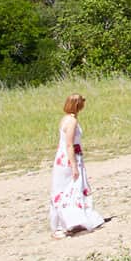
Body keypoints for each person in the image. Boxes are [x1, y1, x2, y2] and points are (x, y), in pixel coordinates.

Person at [48, 93, 107, 236]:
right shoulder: (72, 122)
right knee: (71, 188)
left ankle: (68, 222)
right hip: (70, 158)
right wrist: (74, 165)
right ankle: (66, 224)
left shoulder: (65, 119)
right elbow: (69, 144)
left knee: (65, 189)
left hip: (63, 157)